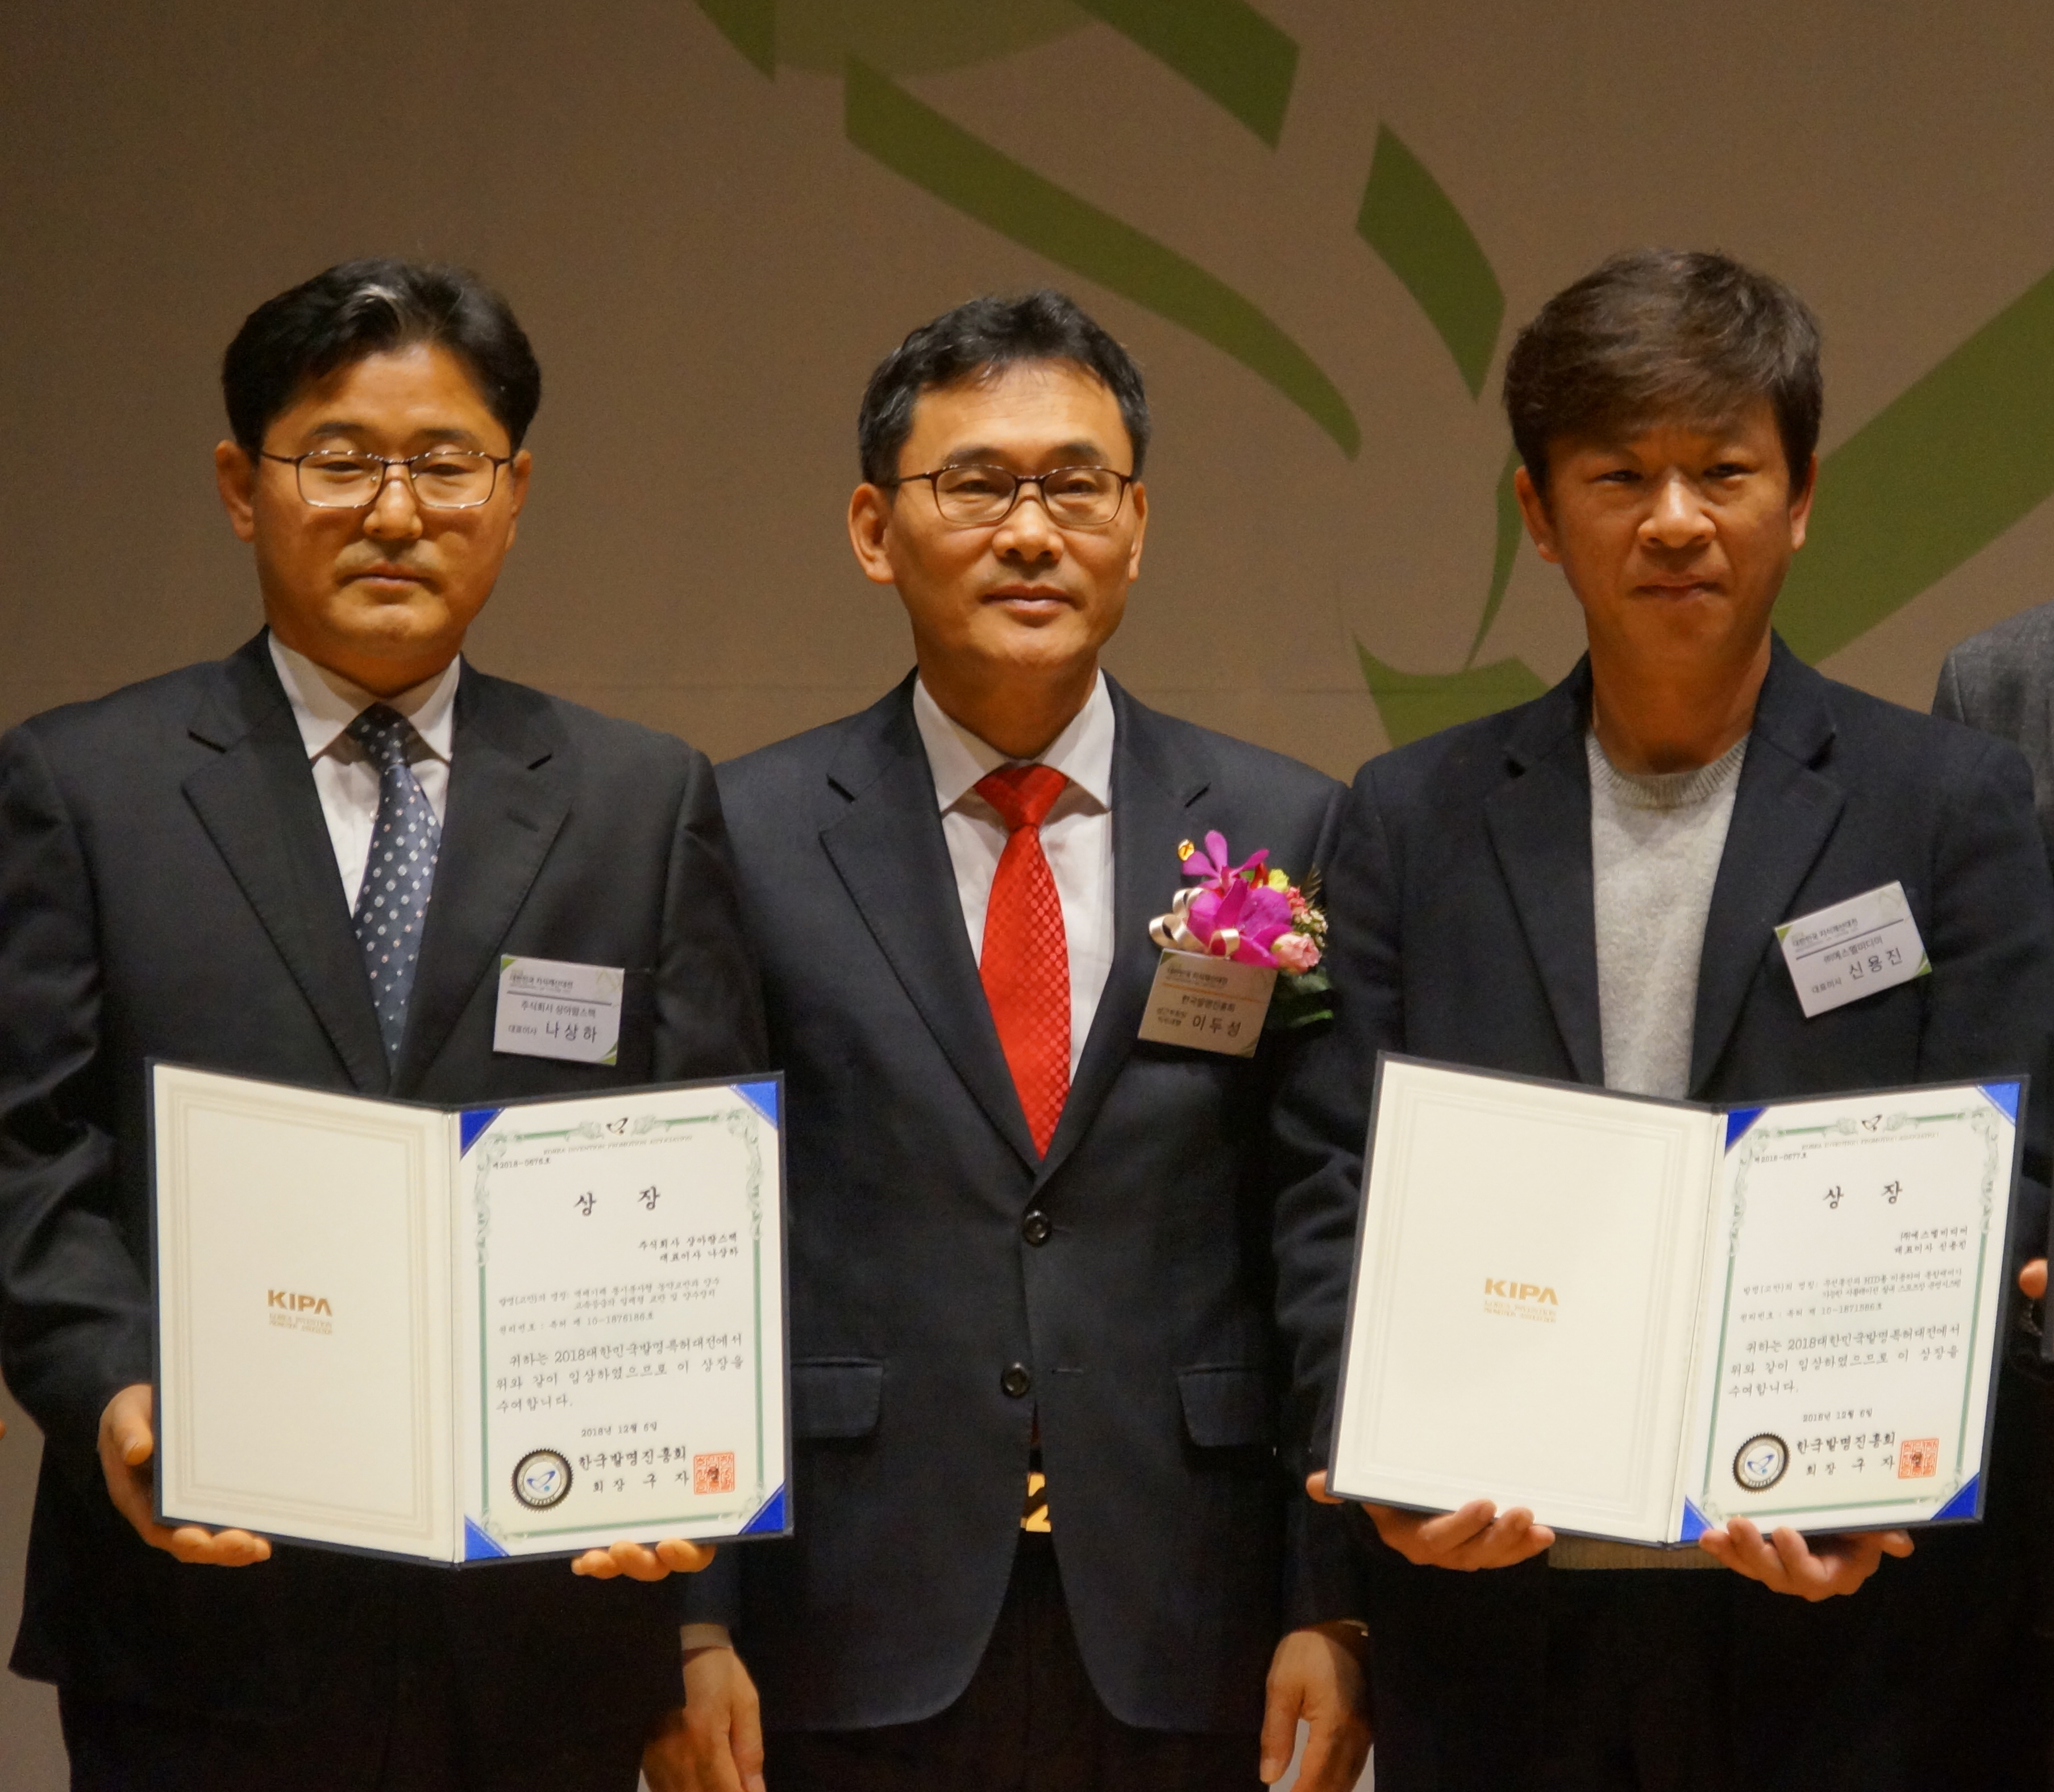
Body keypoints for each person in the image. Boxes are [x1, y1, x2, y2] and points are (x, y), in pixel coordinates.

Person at [1280, 249, 2054, 1790]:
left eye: (1724, 470)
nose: (1677, 517)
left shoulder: (1946, 804)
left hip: (1850, 1637)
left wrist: (1871, 1488)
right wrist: (1380, 1472)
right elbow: (1325, 1187)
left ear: (1802, 496)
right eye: (1621, 474)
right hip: (1494, 1626)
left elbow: (2005, 1171)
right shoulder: (1413, 817)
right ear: (1538, 511)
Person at [0, 259, 766, 1790]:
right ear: (243, 486)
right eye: (340, 460)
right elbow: (29, 1152)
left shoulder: (638, 799)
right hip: (202, 1608)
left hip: (545, 1618)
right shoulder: (86, 786)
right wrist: (116, 1385)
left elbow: (707, 1181)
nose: (396, 511)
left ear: (515, 492)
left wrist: (695, 1586)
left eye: (445, 462)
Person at [643, 290, 1370, 1792]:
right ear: (873, 527)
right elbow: (691, 1237)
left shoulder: (1283, 823)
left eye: (1077, 486)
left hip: (1196, 1609)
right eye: (976, 484)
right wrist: (696, 1621)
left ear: (1137, 524)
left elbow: (1323, 1230)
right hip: (845, 1609)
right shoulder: (748, 831)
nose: (1031, 532)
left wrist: (1335, 1600)